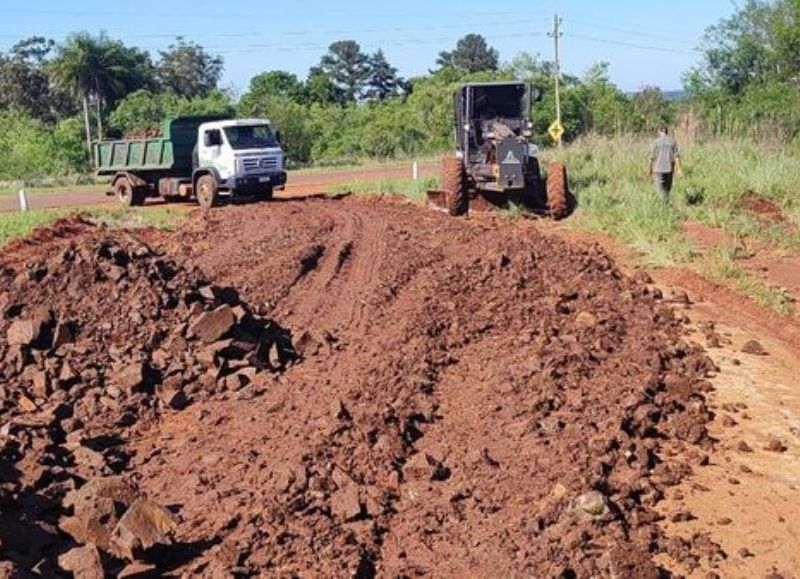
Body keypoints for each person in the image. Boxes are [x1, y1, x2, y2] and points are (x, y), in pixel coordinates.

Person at [649, 125, 681, 201]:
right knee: (667, 190)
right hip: (669, 169)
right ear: (667, 132)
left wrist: (649, 169)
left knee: (659, 190)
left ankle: (662, 206)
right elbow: (676, 157)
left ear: (659, 131)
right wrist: (679, 169)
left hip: (658, 170)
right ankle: (666, 203)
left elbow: (651, 158)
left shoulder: (655, 142)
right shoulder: (673, 141)